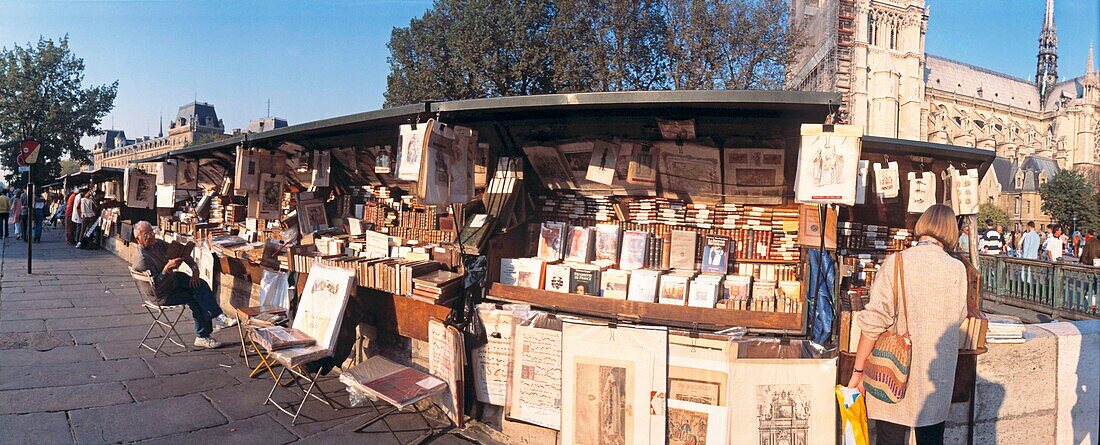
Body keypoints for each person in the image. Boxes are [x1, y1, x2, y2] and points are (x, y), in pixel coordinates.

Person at [848, 204, 967, 445]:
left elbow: (874, 321)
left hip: (893, 371)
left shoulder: (897, 262)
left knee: (889, 439)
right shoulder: (957, 269)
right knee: (932, 440)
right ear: (951, 232)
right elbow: (959, 316)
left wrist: (858, 371)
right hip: (936, 376)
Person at [131, 221, 237, 348]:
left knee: (199, 284)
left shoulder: (157, 244)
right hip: (161, 294)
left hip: (172, 281)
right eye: (146, 234)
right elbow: (154, 288)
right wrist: (166, 270)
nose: (152, 236)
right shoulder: (142, 260)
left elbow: (182, 253)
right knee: (195, 298)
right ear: (138, 239)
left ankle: (219, 317)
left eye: (152, 232)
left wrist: (195, 269)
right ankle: (202, 336)